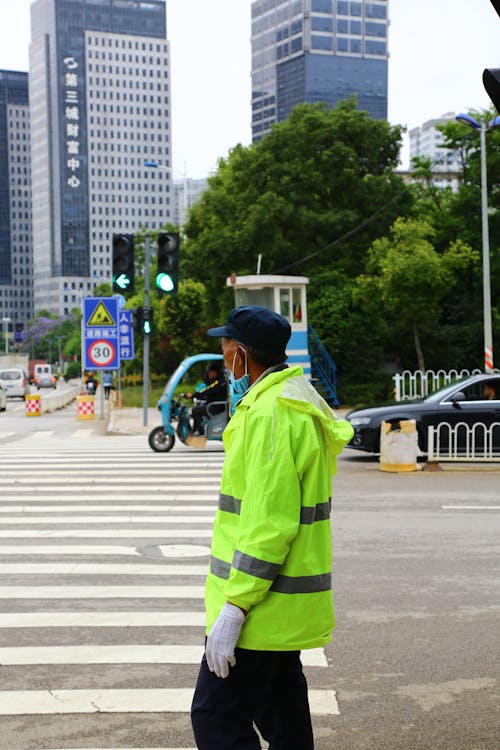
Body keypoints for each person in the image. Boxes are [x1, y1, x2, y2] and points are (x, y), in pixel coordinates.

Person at [191, 305, 354, 750]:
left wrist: (236, 607)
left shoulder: (270, 415)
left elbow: (269, 523)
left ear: (242, 355)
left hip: (260, 610)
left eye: (226, 350)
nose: (224, 360)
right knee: (283, 720)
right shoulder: (291, 399)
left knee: (215, 718)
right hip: (282, 608)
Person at [185, 363, 227, 436]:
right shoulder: (219, 380)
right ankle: (195, 430)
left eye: (210, 372)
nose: (209, 374)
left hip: (216, 407)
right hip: (214, 404)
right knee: (198, 406)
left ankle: (200, 432)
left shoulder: (219, 382)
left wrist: (193, 395)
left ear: (215, 372)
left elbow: (207, 391)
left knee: (195, 410)